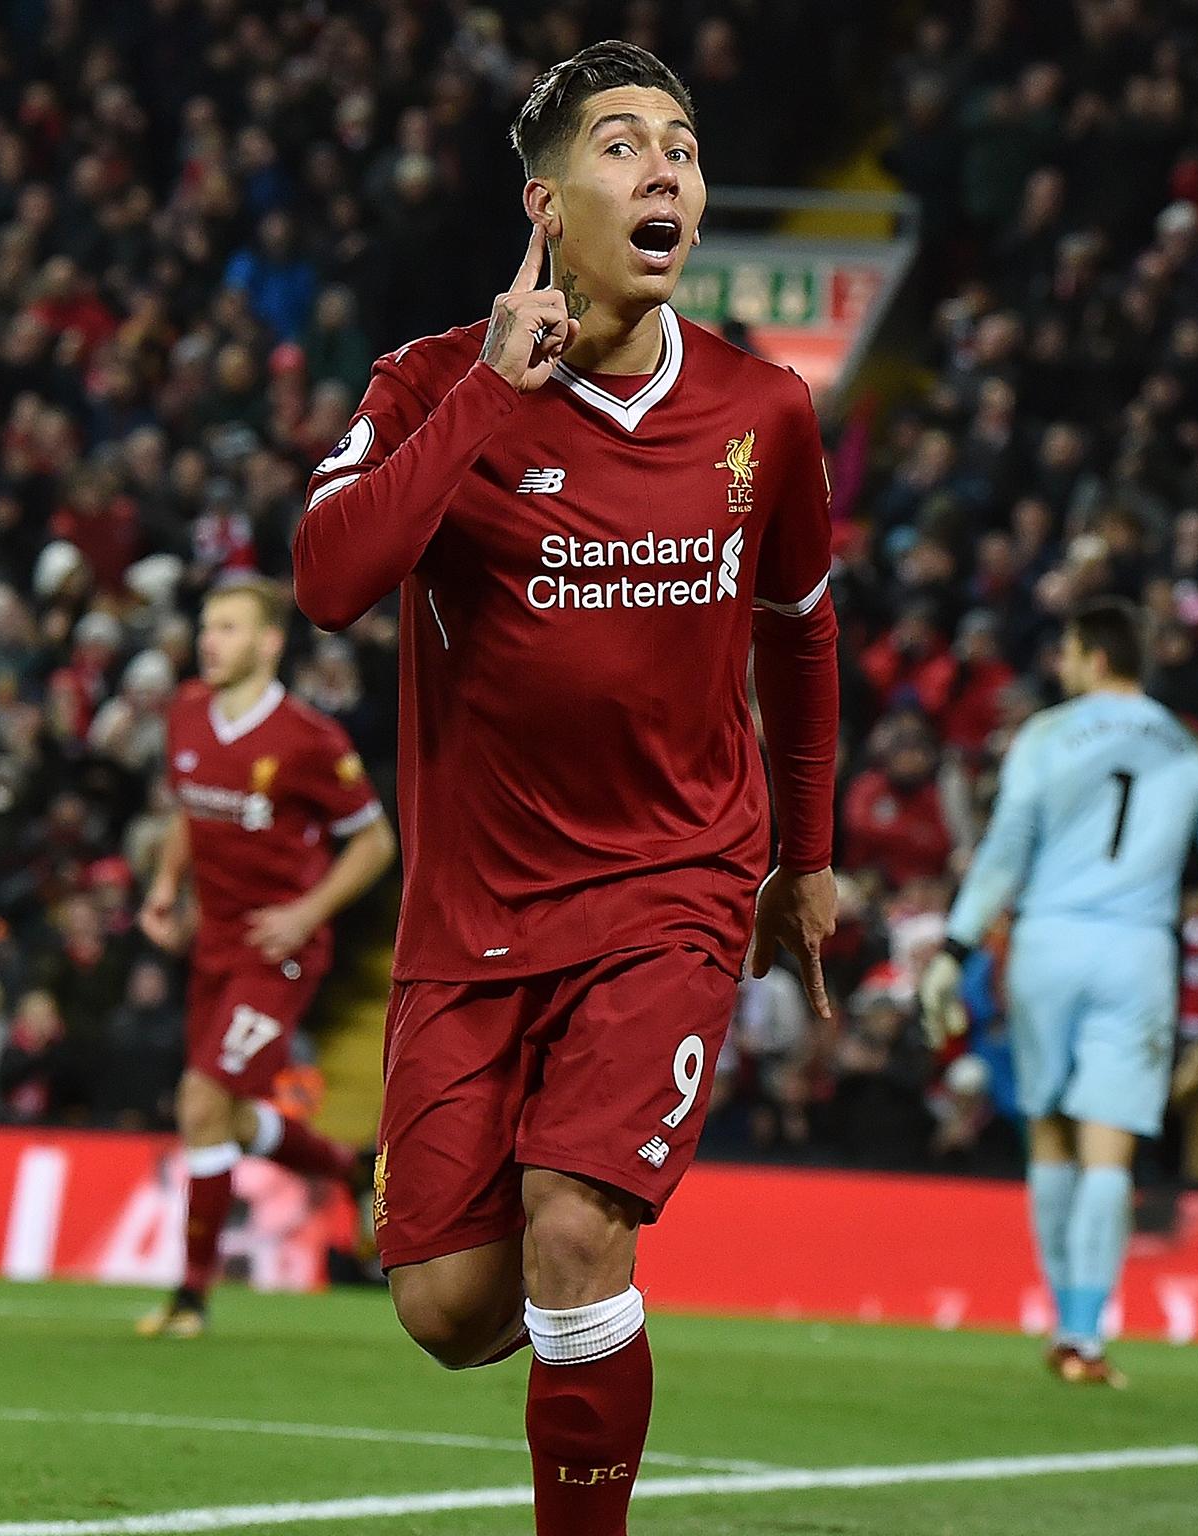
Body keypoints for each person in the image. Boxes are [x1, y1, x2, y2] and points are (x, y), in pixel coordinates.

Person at [292, 42, 839, 1536]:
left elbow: (800, 634)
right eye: (623, 145)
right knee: (448, 1305)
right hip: (474, 908)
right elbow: (333, 582)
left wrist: (809, 851)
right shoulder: (425, 382)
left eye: (683, 144)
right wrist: (486, 385)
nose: (667, 169)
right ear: (543, 203)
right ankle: (569, 1331)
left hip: (673, 885)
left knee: (575, 1231)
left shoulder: (761, 412)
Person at [921, 598, 1198, 1387]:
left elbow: (1005, 849)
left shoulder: (1046, 735)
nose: (1060, 666)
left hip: (1047, 946)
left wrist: (956, 946)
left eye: (1066, 652)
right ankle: (1084, 1337)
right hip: (1136, 951)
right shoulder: (1190, 749)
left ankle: (1066, 1323)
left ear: (1095, 657)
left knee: (1052, 1137)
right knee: (1110, 1149)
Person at [133, 576, 395, 1338]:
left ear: (269, 643)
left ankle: (190, 1296)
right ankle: (349, 1168)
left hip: (278, 955)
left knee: (201, 1102)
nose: (210, 640)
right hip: (212, 945)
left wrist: (307, 912)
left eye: (229, 628)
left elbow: (376, 843)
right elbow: (190, 806)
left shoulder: (308, 739)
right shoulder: (185, 712)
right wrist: (164, 885)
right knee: (236, 1117)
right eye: (207, 626)